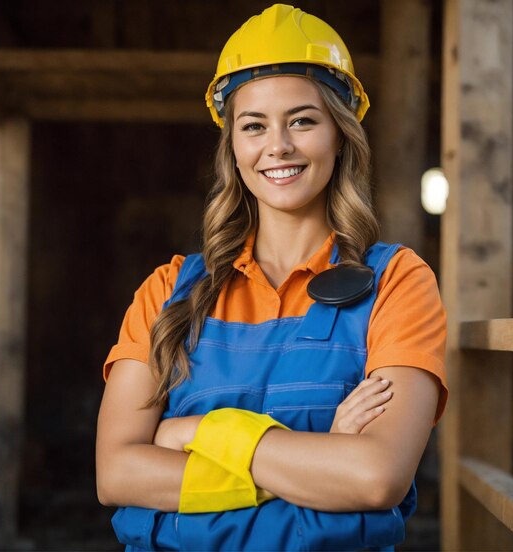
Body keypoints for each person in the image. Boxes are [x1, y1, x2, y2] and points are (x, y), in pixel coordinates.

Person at [96, 4, 447, 551]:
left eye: (302, 121)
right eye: (254, 125)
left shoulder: (398, 282)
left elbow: (375, 477)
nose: (277, 146)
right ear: (233, 149)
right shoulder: (167, 291)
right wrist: (316, 460)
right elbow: (117, 473)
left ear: (340, 133)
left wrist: (195, 434)